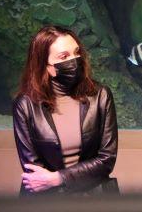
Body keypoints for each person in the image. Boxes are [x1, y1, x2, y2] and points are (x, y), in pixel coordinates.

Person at [12, 25, 118, 195]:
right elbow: (34, 170)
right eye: (64, 56)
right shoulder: (25, 104)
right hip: (47, 200)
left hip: (94, 198)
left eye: (77, 52)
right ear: (47, 67)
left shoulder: (100, 95)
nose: (75, 60)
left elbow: (107, 159)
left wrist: (59, 178)